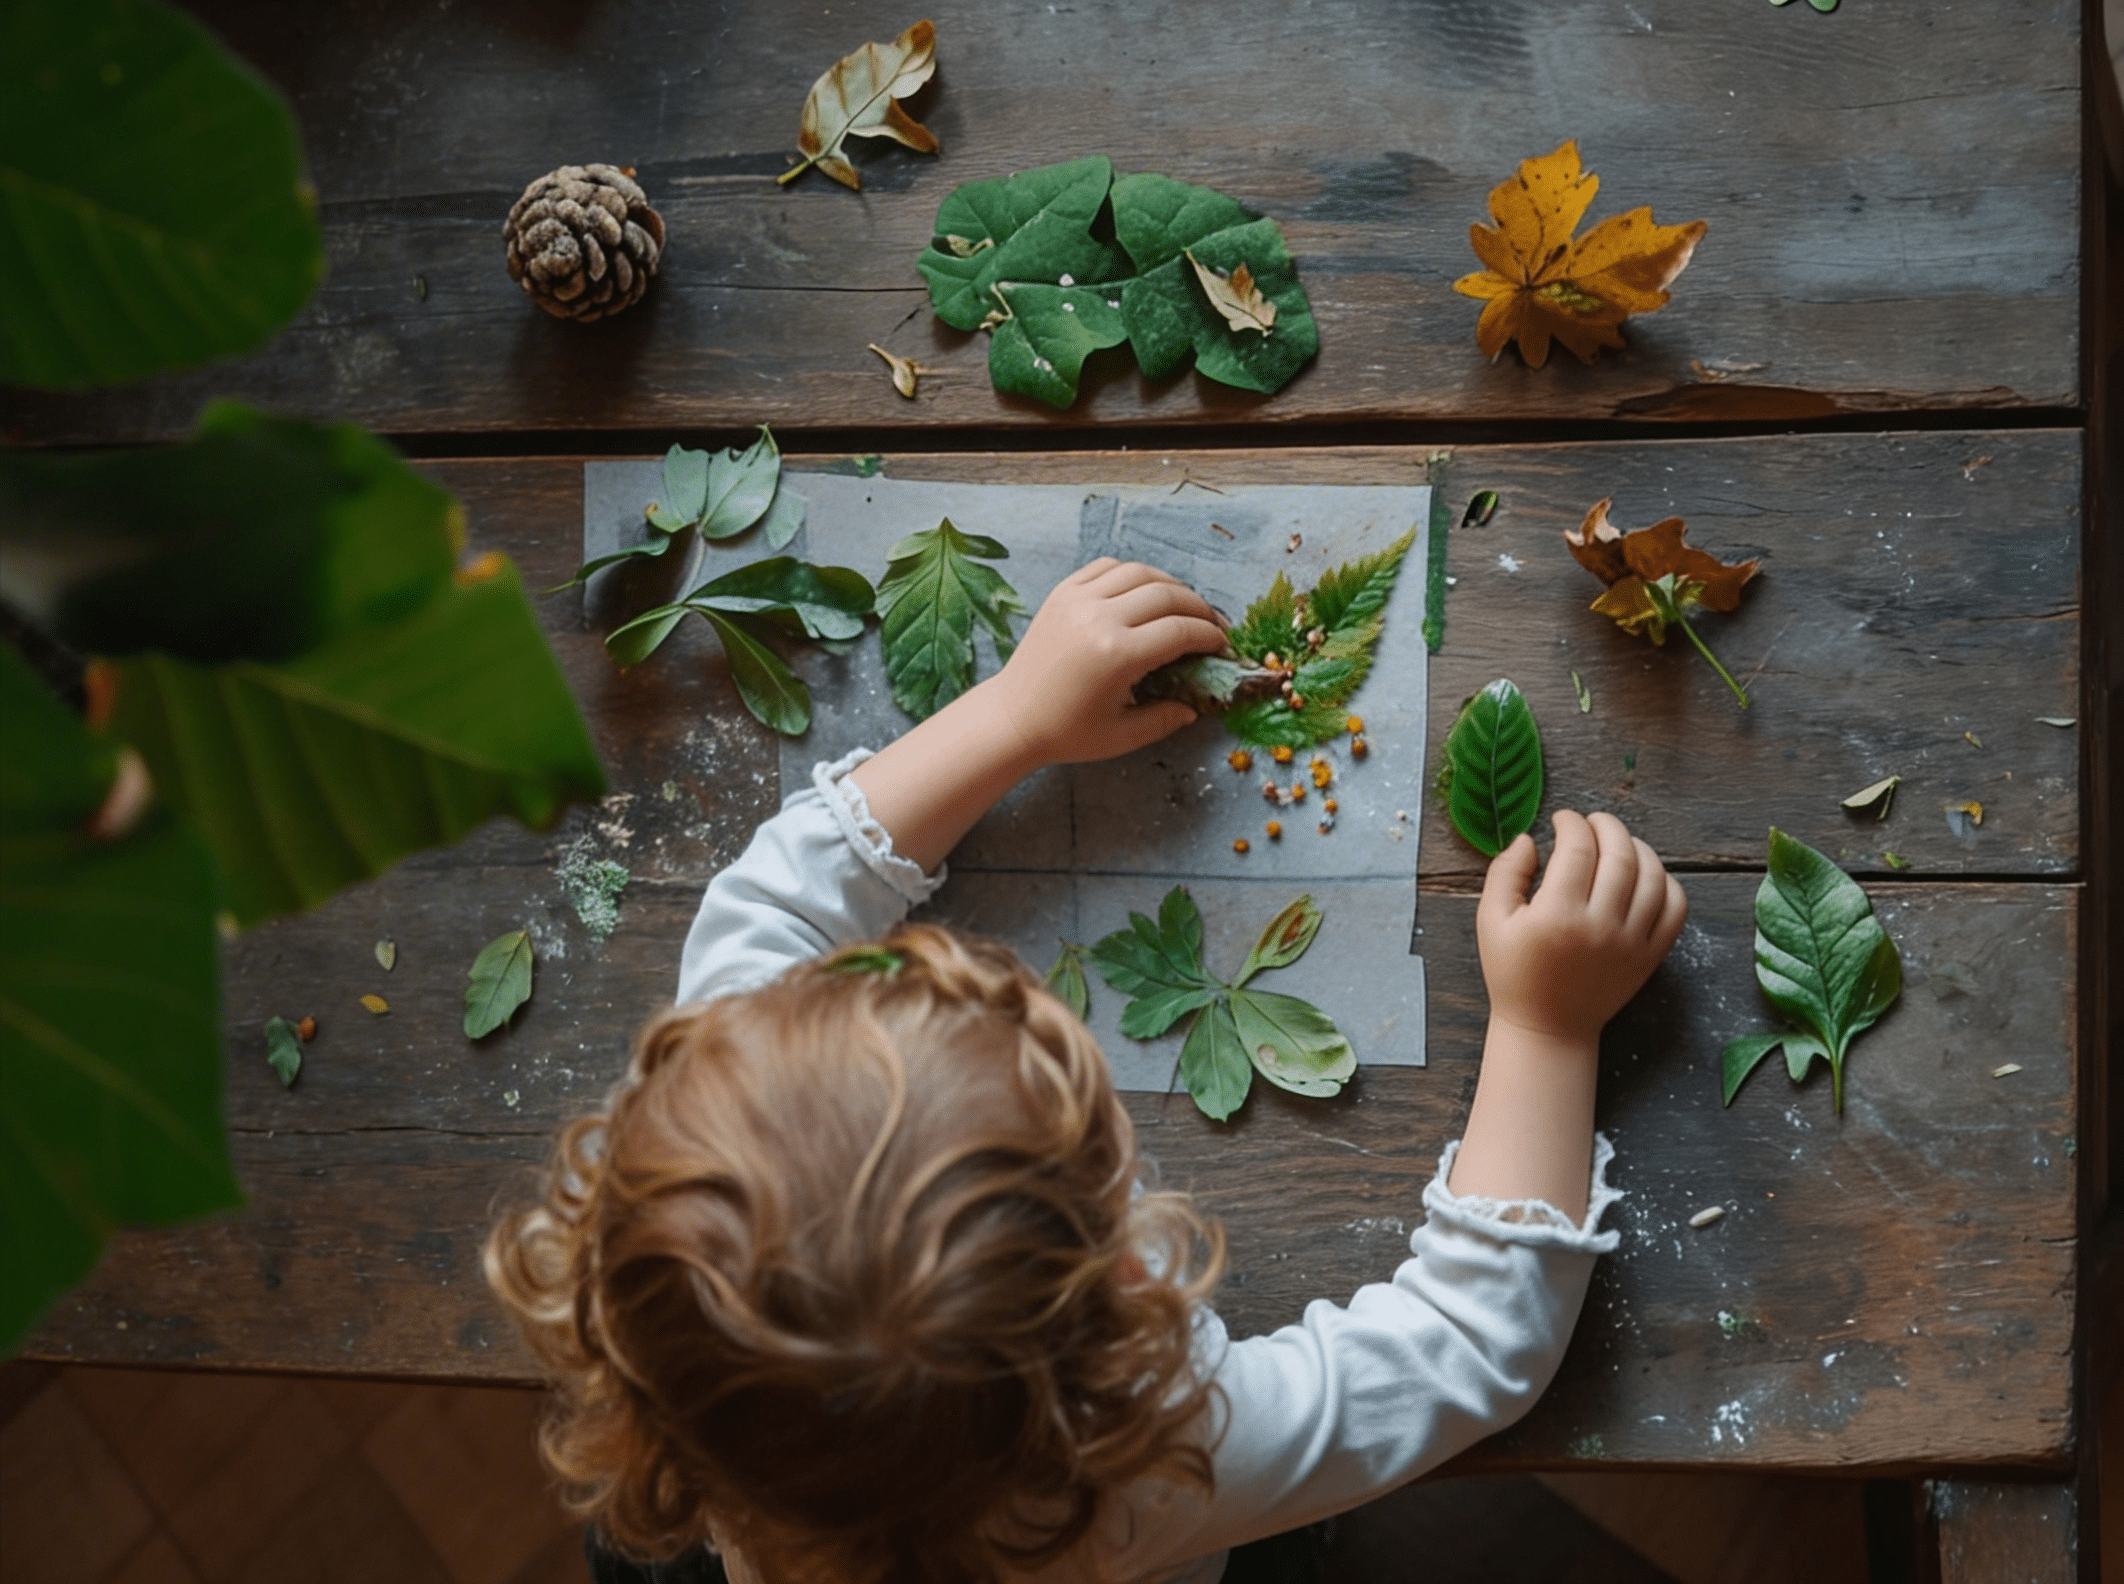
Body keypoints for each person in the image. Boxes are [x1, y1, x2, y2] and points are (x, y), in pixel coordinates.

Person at [484, 558, 1689, 1584]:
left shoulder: (708, 1161)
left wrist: (1014, 715)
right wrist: (1546, 1030)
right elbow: (1469, 1347)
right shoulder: (1151, 1462)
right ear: (1122, 1281)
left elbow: (776, 905)